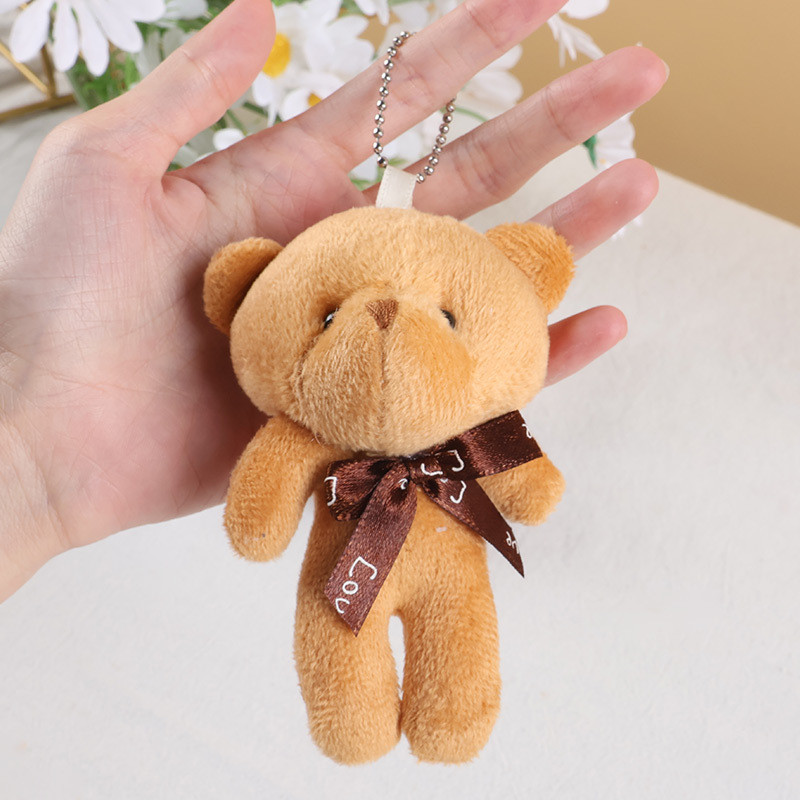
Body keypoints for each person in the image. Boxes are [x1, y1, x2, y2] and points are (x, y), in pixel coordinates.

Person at [0, 0, 667, 602]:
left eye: (446, 316)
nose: (385, 320)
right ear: (242, 290)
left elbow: (530, 489)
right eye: (326, 317)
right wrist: (27, 452)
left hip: (445, 554)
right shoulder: (299, 431)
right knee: (341, 658)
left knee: (459, 635)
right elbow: (259, 521)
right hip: (341, 551)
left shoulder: (477, 435)